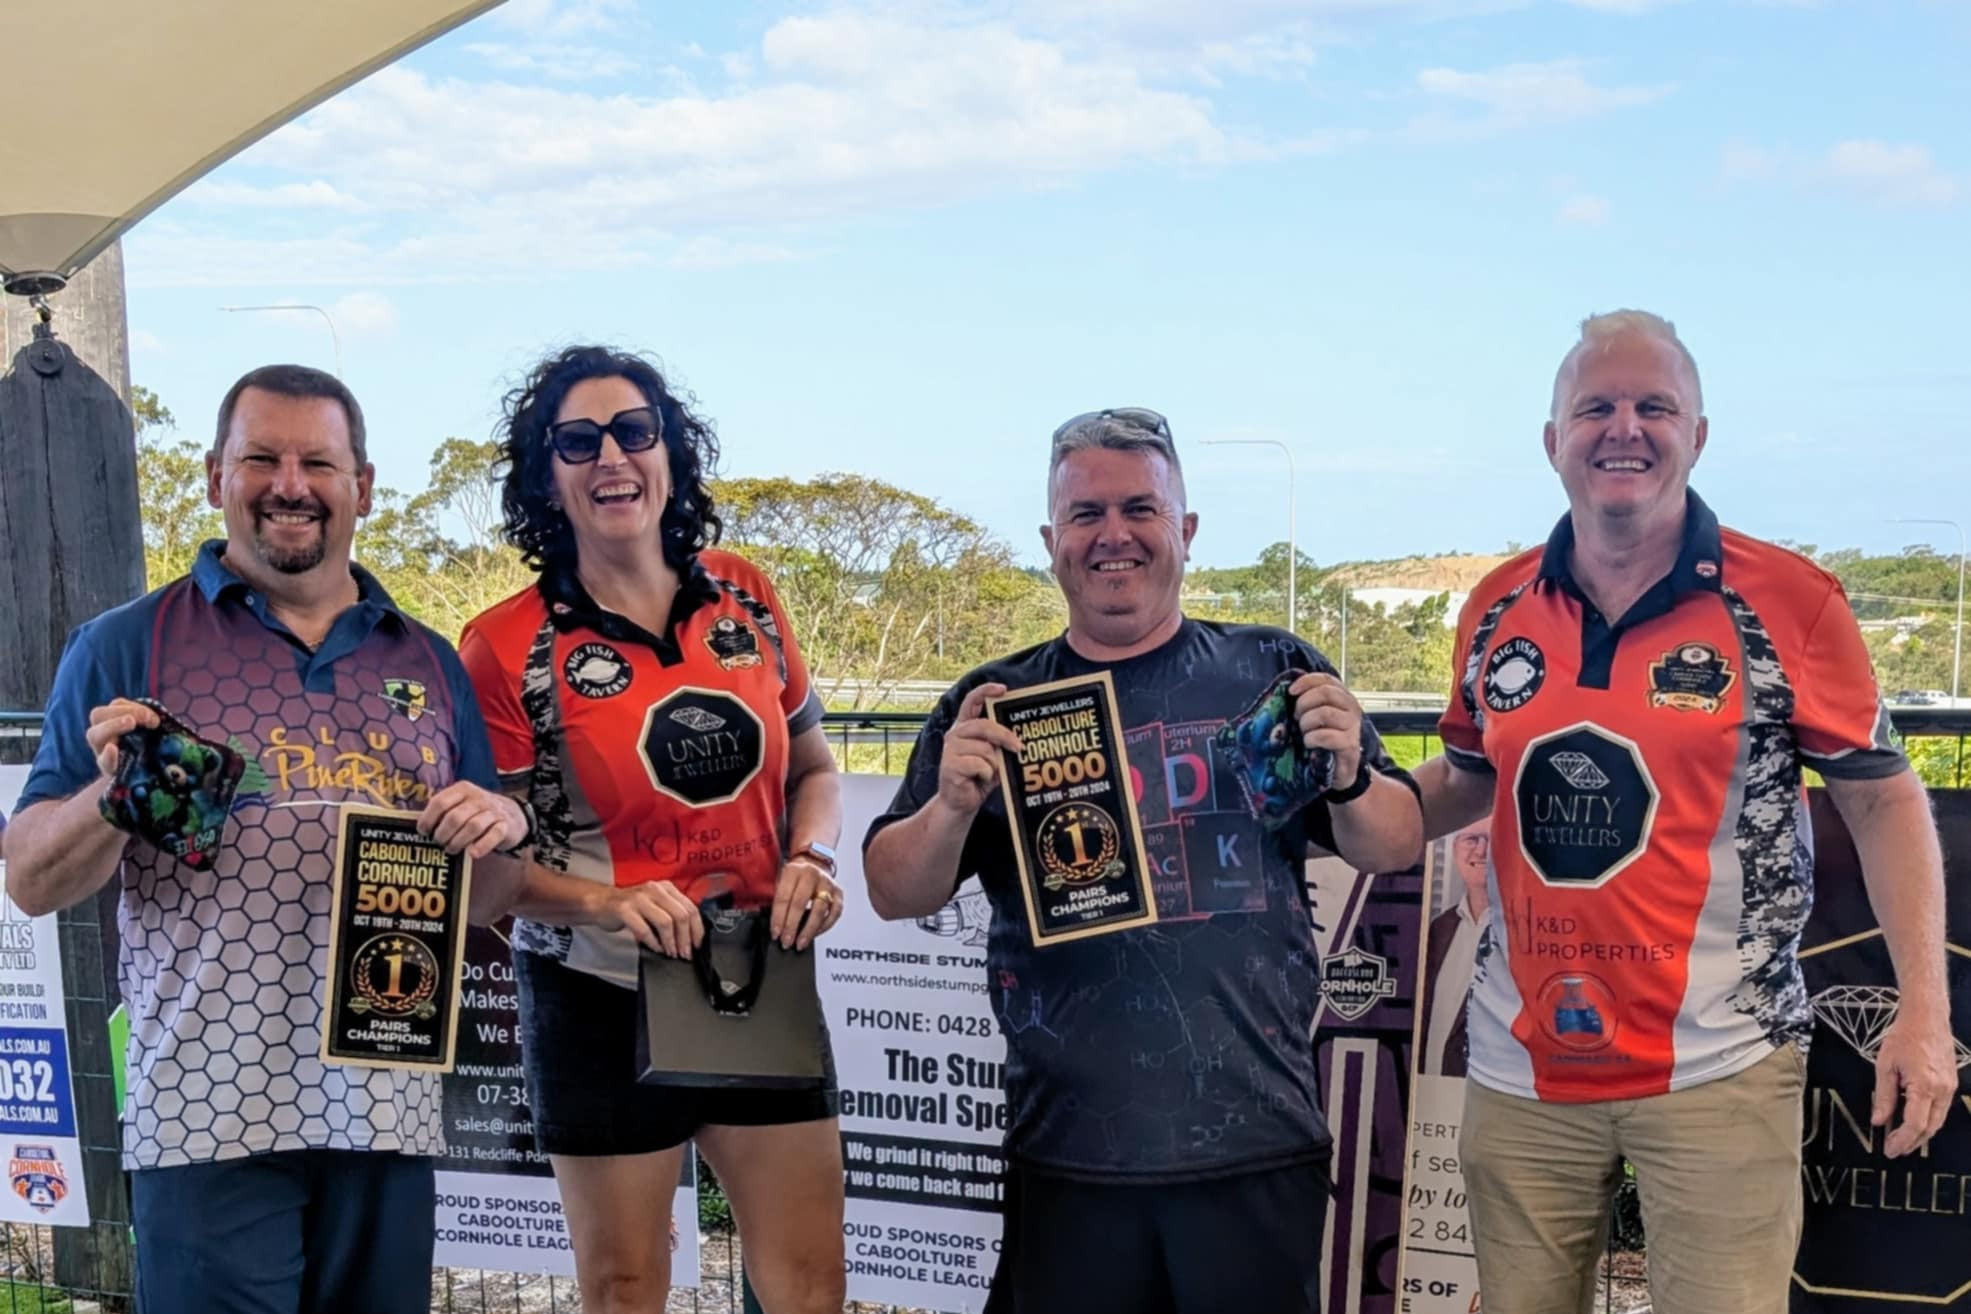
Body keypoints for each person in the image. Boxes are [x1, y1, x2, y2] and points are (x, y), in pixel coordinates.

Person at [1412, 310, 1956, 1314]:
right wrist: (1343, 793)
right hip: (1521, 1069)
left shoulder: (1792, 601)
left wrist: (1924, 1008)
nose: (1625, 429)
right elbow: (1460, 781)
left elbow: (1882, 802)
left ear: (1697, 435)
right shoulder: (1494, 606)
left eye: (1653, 406)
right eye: (1595, 409)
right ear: (1553, 443)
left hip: (1721, 1065)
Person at [862, 407, 1424, 1314]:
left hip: (1255, 1141)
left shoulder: (1271, 669)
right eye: (1085, 514)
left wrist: (1353, 772)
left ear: (1185, 531)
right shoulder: (996, 699)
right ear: (1050, 540)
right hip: (1067, 1154)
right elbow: (893, 888)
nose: (1112, 535)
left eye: (1139, 509)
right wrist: (951, 805)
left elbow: (1392, 842)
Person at [0, 364, 531, 1314]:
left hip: (386, 1114)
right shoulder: (128, 644)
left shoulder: (426, 658)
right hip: (206, 1113)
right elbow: (34, 879)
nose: (290, 483)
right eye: (261, 458)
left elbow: (489, 898)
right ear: (214, 477)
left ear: (360, 487)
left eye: (317, 461)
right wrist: (115, 792)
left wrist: (503, 825)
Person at [456, 345, 847, 1314]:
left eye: (635, 431)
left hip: (754, 976)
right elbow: (493, 881)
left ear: (671, 452)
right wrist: (605, 898)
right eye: (577, 442)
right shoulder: (504, 645)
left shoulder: (747, 593)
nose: (611, 459)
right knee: (626, 1287)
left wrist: (814, 854)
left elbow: (817, 768)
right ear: (545, 475)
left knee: (809, 1284)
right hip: (594, 993)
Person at [1417, 821, 1489, 1078]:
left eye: (1492, 841)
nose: (1480, 851)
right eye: (1471, 840)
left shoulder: (1523, 931)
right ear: (1454, 849)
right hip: (1428, 1098)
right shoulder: (1438, 930)